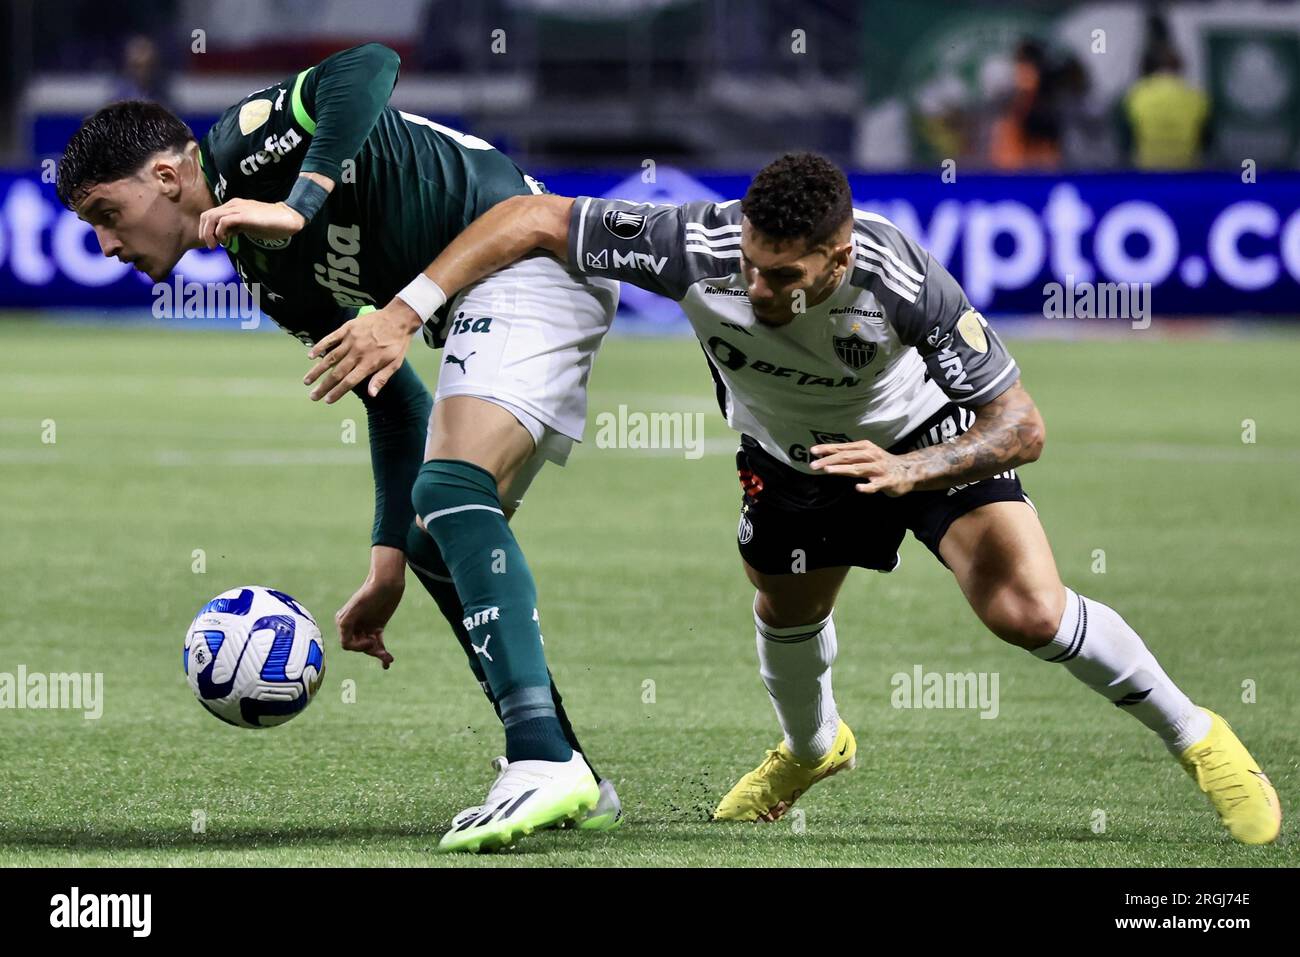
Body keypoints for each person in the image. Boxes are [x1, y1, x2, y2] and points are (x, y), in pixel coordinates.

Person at [314, 151, 1282, 845]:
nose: (761, 288)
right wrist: (405, 314)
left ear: (838, 252)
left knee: (1023, 611)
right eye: (751, 264)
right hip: (791, 459)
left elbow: (1020, 424)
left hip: (927, 439)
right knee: (785, 612)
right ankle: (812, 749)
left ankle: (1199, 738)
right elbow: (531, 219)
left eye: (784, 276)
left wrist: (911, 471)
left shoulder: (900, 278)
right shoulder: (694, 246)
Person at [56, 42, 622, 852]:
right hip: (491, 293)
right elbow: (395, 403)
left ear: (168, 179)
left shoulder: (242, 143)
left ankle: (539, 757)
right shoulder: (265, 269)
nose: (106, 247)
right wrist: (389, 559)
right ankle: (565, 764)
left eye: (107, 216)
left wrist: (300, 201)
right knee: (435, 525)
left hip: (528, 252)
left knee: (452, 487)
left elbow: (367, 65)